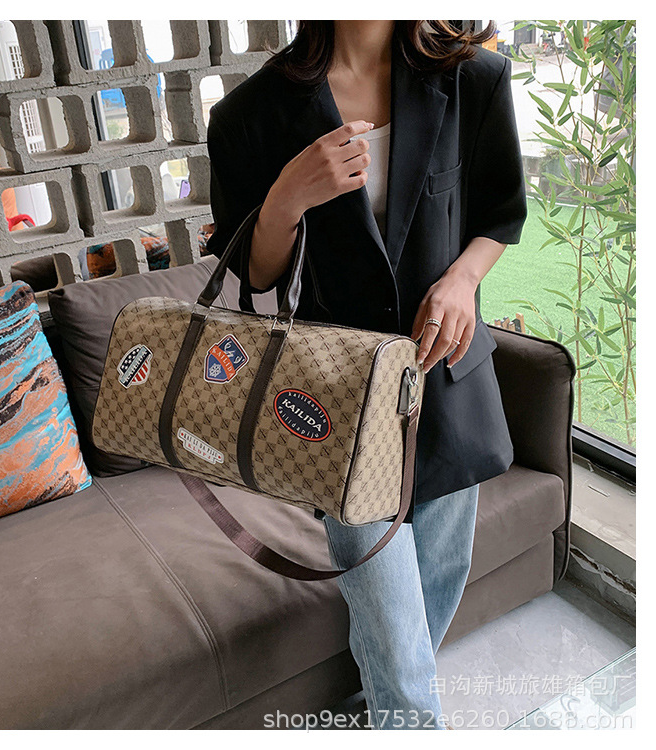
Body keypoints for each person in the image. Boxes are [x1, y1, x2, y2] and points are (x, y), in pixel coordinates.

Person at [205, 20, 527, 730]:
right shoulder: (250, 114)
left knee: (422, 616)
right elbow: (254, 276)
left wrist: (463, 281)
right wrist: (288, 197)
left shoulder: (472, 77)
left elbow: (501, 214)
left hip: (445, 380)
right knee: (398, 645)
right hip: (339, 404)